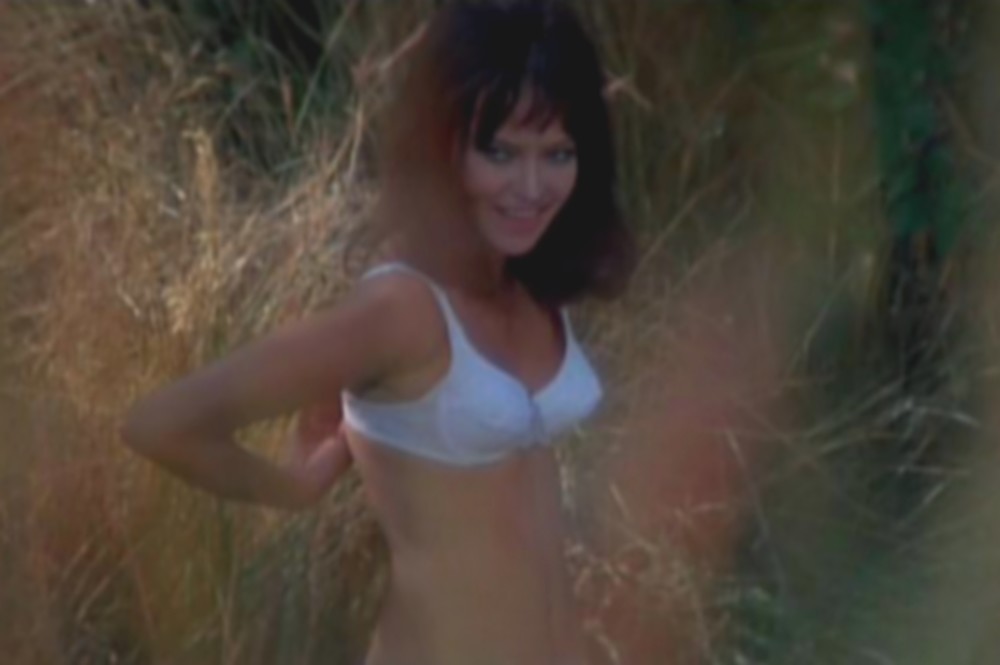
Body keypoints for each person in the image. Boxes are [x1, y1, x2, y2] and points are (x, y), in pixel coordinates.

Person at [123, 1, 634, 664]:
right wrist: (293, 488)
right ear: (442, 145)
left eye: (557, 153)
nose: (532, 186)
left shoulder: (529, 282)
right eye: (500, 151)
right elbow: (161, 423)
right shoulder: (401, 310)